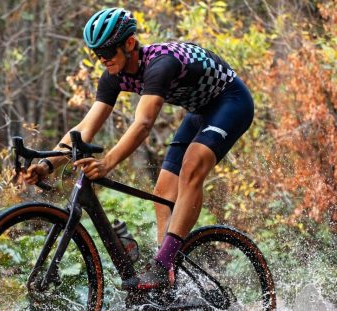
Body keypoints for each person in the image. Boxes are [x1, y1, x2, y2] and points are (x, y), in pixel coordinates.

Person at [23, 7, 254, 294]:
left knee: (192, 166)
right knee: (162, 192)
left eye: (108, 52)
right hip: (199, 111)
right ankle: (167, 279)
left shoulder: (160, 64)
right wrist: (47, 164)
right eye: (98, 54)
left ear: (129, 44)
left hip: (231, 102)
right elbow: (86, 126)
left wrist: (107, 163)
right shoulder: (113, 74)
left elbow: (144, 123)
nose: (104, 60)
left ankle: (162, 265)